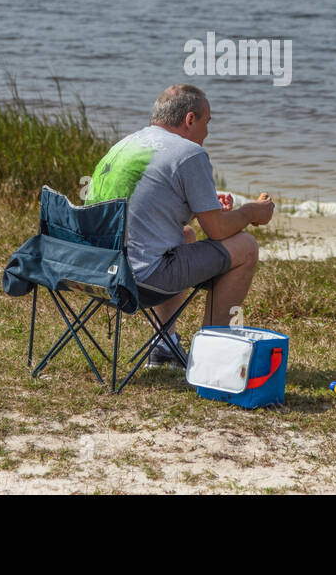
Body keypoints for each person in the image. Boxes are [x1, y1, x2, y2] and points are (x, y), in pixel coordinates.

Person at [85, 84, 275, 367]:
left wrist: (205, 208)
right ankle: (212, 356)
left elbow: (148, 210)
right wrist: (250, 212)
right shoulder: (189, 153)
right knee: (245, 247)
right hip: (139, 280)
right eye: (206, 123)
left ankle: (165, 344)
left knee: (185, 235)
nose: (207, 133)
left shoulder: (125, 144)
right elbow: (218, 232)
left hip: (95, 272)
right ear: (190, 120)